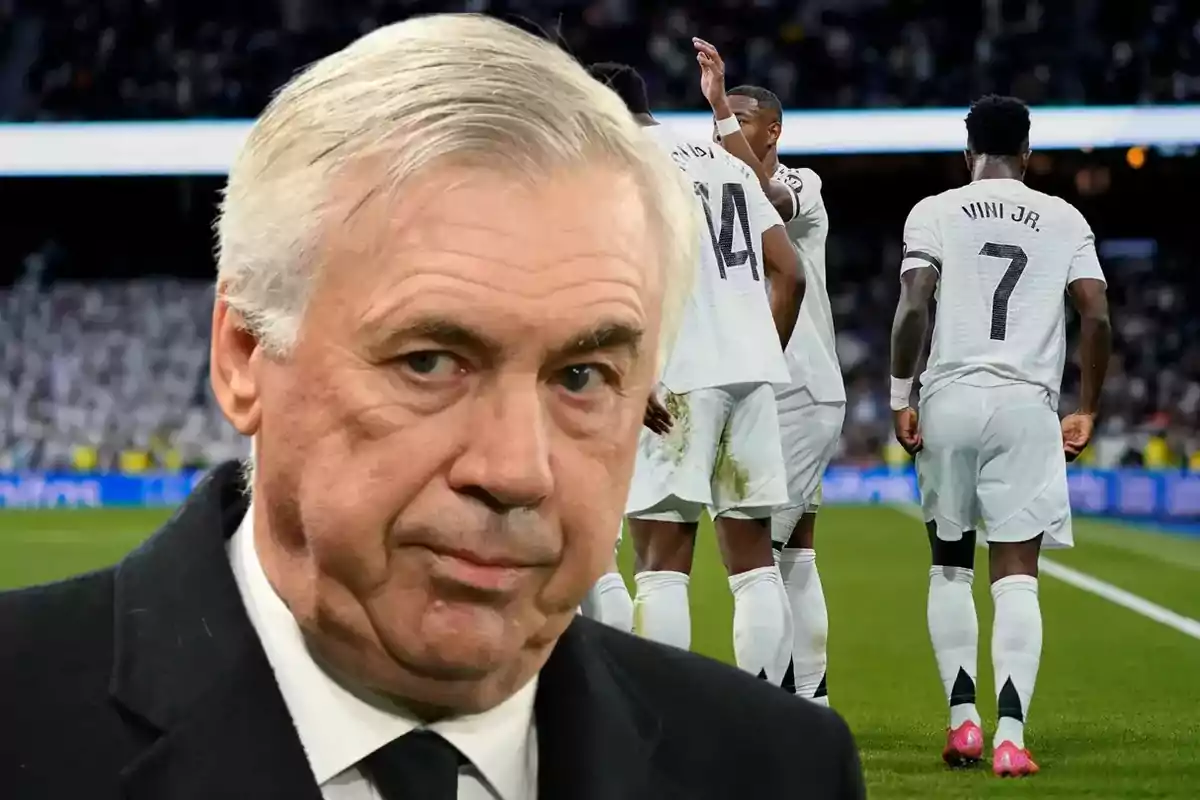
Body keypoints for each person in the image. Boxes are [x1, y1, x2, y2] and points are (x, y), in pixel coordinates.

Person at [0, 14, 866, 800]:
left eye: (582, 374)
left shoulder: (783, 771)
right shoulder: (23, 717)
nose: (517, 470)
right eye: (430, 361)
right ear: (243, 356)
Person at [888, 94, 1111, 777]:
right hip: (1027, 404)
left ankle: (964, 724)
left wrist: (902, 393)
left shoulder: (933, 210)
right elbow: (1096, 317)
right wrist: (1089, 407)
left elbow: (913, 305)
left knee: (950, 563)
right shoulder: (1066, 217)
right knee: (1017, 578)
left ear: (968, 152)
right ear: (1028, 152)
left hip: (951, 396)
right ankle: (1011, 736)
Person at [587, 61, 804, 687]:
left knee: (660, 562)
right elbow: (789, 272)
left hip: (675, 377)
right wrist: (759, 352)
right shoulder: (728, 161)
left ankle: (664, 723)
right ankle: (764, 722)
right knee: (755, 564)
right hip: (750, 375)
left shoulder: (623, 168)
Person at [693, 38, 846, 706]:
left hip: (797, 389)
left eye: (738, 121)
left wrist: (718, 103)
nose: (722, 131)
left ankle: (776, 709)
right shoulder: (712, 193)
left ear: (771, 130)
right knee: (793, 556)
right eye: (718, 123)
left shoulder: (802, 185)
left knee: (753, 560)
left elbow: (760, 193)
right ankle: (811, 705)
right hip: (769, 389)